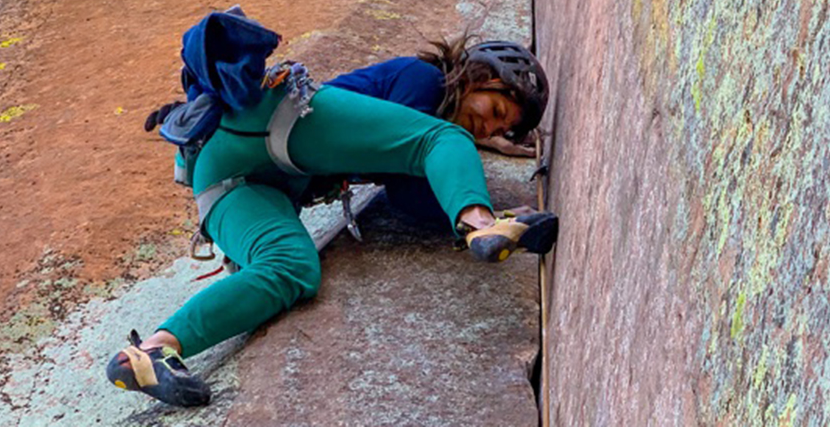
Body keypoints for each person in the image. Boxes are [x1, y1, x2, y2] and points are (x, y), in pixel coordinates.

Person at [105, 30, 557, 407]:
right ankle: (482, 224)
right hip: (281, 116)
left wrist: (481, 146)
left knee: (290, 269)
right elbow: (410, 175)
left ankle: (151, 352)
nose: (488, 128)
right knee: (443, 139)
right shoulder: (423, 81)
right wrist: (478, 202)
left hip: (225, 172)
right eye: (494, 111)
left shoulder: (424, 112)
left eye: (499, 130)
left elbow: (407, 180)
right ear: (477, 76)